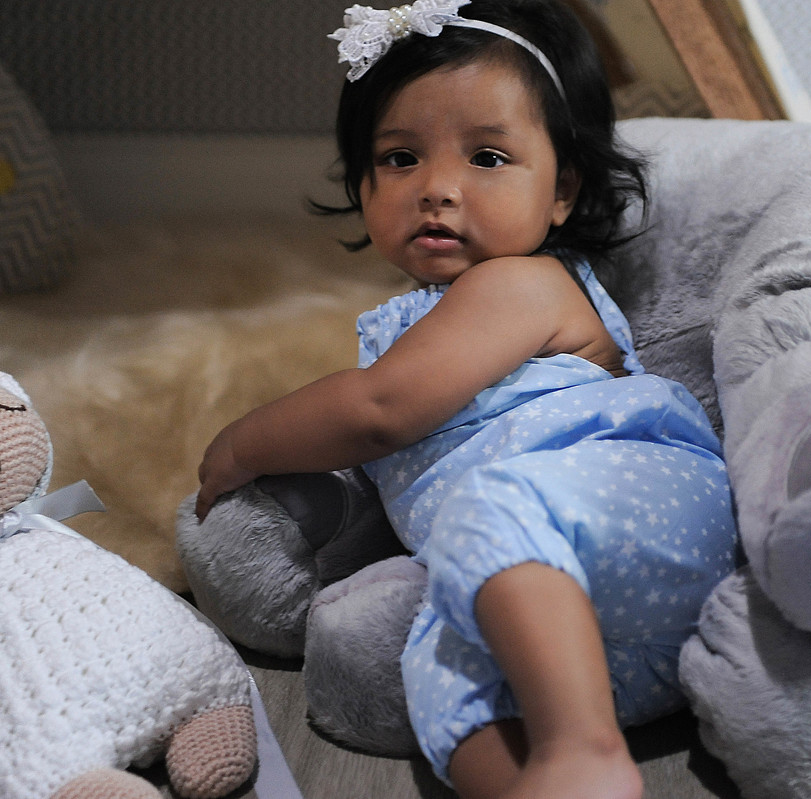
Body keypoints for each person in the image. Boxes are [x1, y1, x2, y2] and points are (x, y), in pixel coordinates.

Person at [194, 1, 737, 796]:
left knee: (489, 507)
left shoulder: (520, 283)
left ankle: (579, 747)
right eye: (400, 157)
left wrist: (245, 442)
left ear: (561, 190)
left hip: (628, 516)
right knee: (437, 673)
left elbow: (380, 410)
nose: (437, 188)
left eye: (486, 156)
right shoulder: (427, 314)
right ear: (361, 181)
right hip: (596, 641)